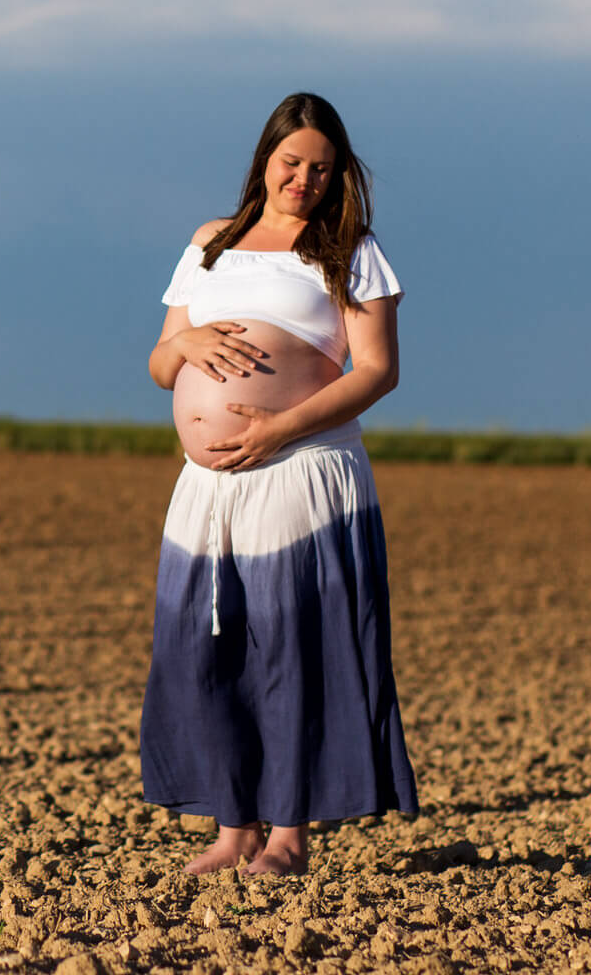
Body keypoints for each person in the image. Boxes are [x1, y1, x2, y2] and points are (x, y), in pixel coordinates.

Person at [138, 91, 419, 876]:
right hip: (208, 489)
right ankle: (234, 830)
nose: (306, 180)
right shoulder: (210, 243)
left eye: (323, 169)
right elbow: (162, 366)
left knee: (293, 651)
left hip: (301, 471)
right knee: (206, 650)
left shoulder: (352, 249)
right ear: (266, 158)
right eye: (293, 162)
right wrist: (186, 337)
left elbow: (379, 372)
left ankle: (289, 836)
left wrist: (275, 429)